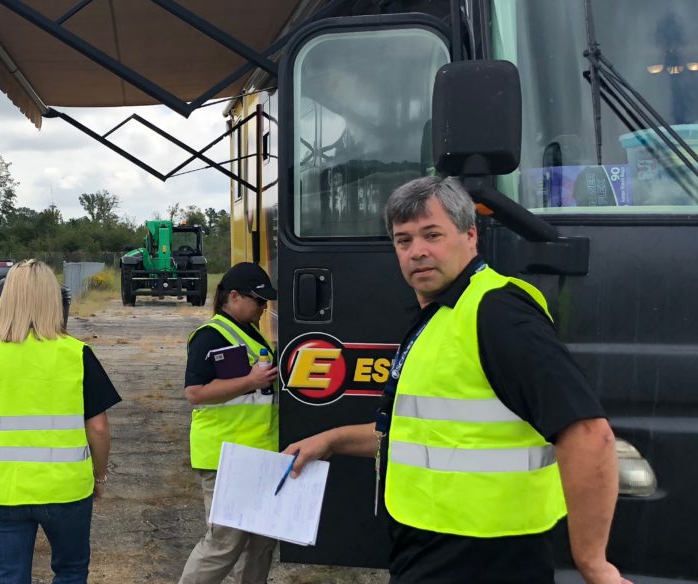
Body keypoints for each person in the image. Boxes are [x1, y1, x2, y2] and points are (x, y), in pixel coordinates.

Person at [282, 176, 629, 584]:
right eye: (404, 240)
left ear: (470, 235)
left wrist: (593, 563)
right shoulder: (442, 315)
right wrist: (332, 440)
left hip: (484, 559)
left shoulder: (497, 312)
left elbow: (589, 435)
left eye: (432, 235)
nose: (417, 251)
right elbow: (418, 435)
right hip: (431, 547)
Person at [0, 259, 121, 584]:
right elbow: (98, 428)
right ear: (53, 300)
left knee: (9, 575)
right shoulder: (76, 354)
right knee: (70, 571)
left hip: (2, 491)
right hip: (66, 491)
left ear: (7, 298)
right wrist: (98, 477)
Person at [178, 262, 280, 584]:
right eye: (259, 300)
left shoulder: (252, 333)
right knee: (224, 543)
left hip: (259, 452)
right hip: (226, 456)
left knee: (260, 543)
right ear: (234, 296)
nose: (264, 308)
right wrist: (250, 381)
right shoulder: (209, 337)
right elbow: (195, 393)